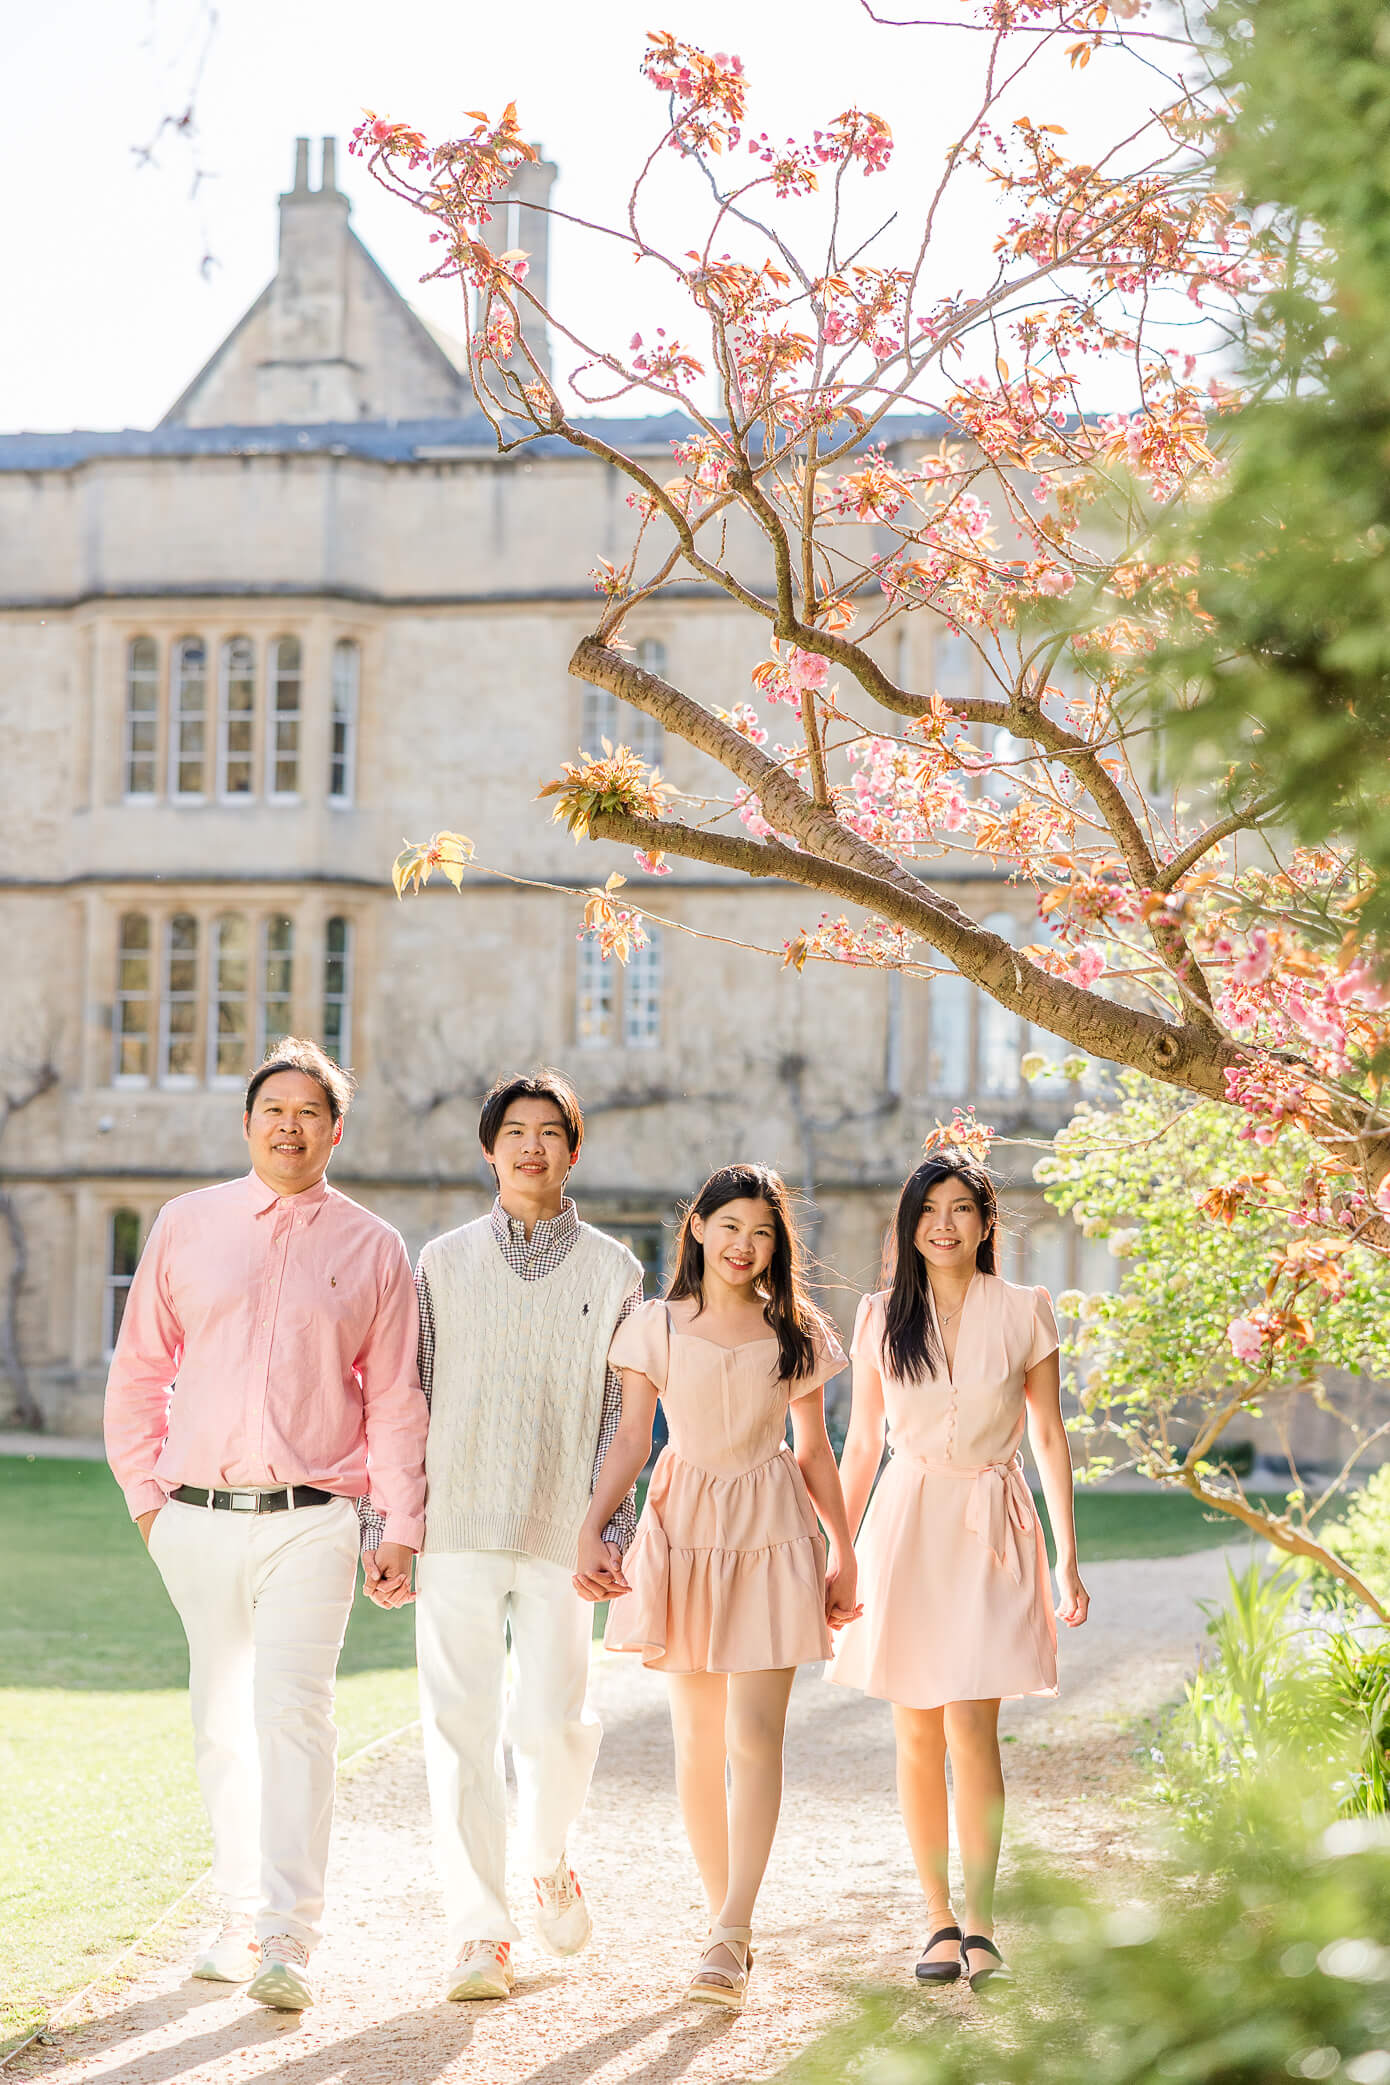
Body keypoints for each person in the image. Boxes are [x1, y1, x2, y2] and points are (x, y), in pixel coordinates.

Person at [103, 1038, 426, 2013]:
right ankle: (236, 1913)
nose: (291, 1126)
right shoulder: (186, 1225)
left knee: (294, 1718)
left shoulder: (372, 1246)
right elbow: (139, 1373)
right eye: (274, 1110)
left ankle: (290, 1937)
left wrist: (398, 1522)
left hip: (312, 1523)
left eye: (310, 1113)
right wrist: (147, 1506)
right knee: (220, 1726)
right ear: (249, 1124)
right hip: (192, 1521)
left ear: (336, 1130)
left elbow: (398, 1401)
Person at [370, 1069, 643, 2003]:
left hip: (563, 1532)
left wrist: (608, 1528)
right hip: (456, 1525)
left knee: (553, 1722)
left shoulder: (616, 1270)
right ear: (490, 1150)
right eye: (514, 1131)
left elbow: (622, 1413)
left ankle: (548, 1855)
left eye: (550, 1131)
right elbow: (408, 1399)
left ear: (574, 1149)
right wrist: (394, 1524)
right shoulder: (440, 1262)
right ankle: (481, 1933)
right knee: (459, 1730)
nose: (532, 1146)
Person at [577, 1163, 859, 2010]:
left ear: (777, 1245)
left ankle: (733, 1928)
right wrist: (594, 1523)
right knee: (696, 1743)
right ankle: (725, 1925)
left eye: (763, 1231)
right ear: (696, 1226)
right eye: (730, 1225)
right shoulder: (653, 1325)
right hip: (684, 1526)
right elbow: (631, 1438)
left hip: (772, 1528)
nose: (746, 1244)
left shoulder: (796, 1331)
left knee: (756, 1738)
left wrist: (844, 1550)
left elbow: (813, 1451)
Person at [828, 1151, 1089, 1990]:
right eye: (928, 1208)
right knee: (914, 1727)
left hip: (989, 1525)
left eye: (961, 1208)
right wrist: (838, 1549)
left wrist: (1067, 1555)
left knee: (973, 1725)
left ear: (985, 1223)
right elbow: (862, 1443)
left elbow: (1049, 1436)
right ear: (909, 1223)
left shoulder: (1025, 1310)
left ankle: (982, 1922)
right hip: (904, 1524)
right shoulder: (878, 1314)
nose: (944, 1223)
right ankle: (935, 1917)